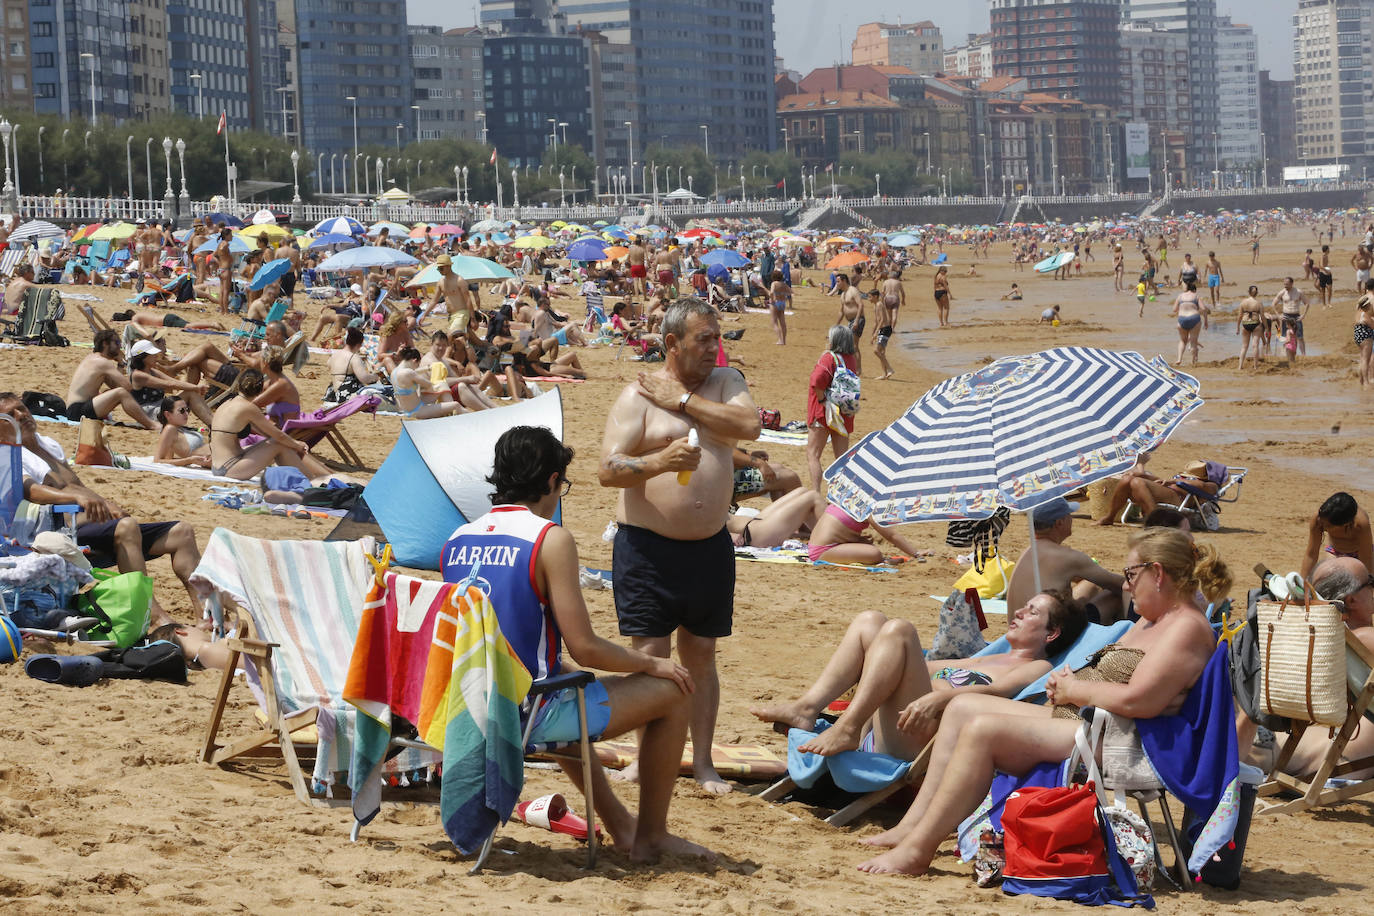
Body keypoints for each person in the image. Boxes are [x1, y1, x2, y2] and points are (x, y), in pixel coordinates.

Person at [856, 528, 1229, 874]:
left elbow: (1139, 701)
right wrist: (1067, 681)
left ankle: (919, 849)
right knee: (960, 708)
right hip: (1089, 720)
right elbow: (1119, 679)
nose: (1127, 586)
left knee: (984, 730)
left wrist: (1073, 690)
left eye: (1131, 575)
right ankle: (909, 827)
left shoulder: (1185, 628)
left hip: (1127, 741)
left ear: (1158, 573)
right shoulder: (1152, 621)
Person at [440, 426, 711, 862]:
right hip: (521, 714)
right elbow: (586, 647)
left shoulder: (457, 539)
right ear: (550, 481)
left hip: (465, 706)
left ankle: (621, 825)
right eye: (561, 484)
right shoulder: (549, 539)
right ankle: (651, 837)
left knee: (566, 679)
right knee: (676, 690)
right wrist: (651, 664)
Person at [598, 297, 761, 795]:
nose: (715, 347)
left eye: (717, 337)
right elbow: (607, 470)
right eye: (704, 339)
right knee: (650, 657)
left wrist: (685, 403)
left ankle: (704, 760)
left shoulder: (726, 385)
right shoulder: (637, 396)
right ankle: (644, 758)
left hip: (708, 547)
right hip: (647, 548)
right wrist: (658, 462)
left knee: (701, 657)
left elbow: (749, 427)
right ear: (672, 343)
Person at [751, 589, 1087, 758]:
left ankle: (847, 728)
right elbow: (921, 669)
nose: (1017, 611)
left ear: (1052, 633)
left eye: (1031, 612)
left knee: (899, 630)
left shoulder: (1038, 666)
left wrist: (941, 695)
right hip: (894, 721)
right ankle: (806, 709)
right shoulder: (989, 656)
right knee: (871, 621)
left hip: (918, 737)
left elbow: (997, 696)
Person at [1, 392, 203, 630]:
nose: (21, 415)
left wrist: (105, 504)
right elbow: (31, 490)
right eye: (10, 414)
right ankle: (155, 617)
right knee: (127, 529)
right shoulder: (10, 454)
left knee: (182, 532)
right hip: (59, 531)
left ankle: (206, 618)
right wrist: (76, 497)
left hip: (95, 525)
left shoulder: (48, 444)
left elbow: (75, 484)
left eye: (22, 408)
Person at [208, 369, 335, 483]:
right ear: (260, 389)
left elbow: (267, 434)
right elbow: (278, 435)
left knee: (281, 444)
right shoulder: (248, 408)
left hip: (219, 466)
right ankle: (314, 479)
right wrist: (297, 445)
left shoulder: (225, 404)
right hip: (231, 468)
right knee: (280, 443)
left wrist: (293, 444)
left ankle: (320, 475)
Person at [1008, 497, 1124, 622]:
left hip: (1019, 628)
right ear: (1059, 522)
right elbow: (1118, 584)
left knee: (1090, 585)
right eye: (1069, 515)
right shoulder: (1068, 557)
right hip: (1049, 635)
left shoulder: (1028, 551)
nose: (1071, 518)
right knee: (1117, 595)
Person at [63, 329, 161, 430]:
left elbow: (115, 386)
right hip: (78, 411)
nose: (120, 346)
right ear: (105, 344)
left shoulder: (92, 358)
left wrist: (120, 364)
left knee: (113, 392)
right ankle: (151, 424)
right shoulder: (102, 362)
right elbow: (127, 387)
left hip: (75, 409)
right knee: (121, 393)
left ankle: (149, 422)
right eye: (117, 342)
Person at [1094, 459, 1220, 531]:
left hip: (1177, 498)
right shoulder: (1183, 479)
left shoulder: (1210, 485)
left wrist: (1173, 481)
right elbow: (1161, 480)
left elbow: (1201, 487)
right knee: (1128, 479)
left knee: (1137, 482)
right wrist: (1143, 474)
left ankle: (1153, 519)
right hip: (1167, 491)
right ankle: (1109, 517)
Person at [805, 325, 859, 493]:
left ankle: (816, 492)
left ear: (835, 340)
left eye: (829, 338)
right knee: (841, 459)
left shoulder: (829, 358)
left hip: (824, 412)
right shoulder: (851, 359)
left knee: (813, 454)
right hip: (844, 412)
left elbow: (816, 381)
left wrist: (822, 400)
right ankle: (842, 493)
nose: (827, 341)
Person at [806, 500, 925, 566]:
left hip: (819, 545)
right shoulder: (869, 508)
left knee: (868, 547)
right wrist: (916, 553)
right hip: (822, 552)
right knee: (874, 553)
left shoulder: (848, 496)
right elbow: (891, 535)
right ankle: (883, 561)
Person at [1301, 491, 1374, 580]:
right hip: (1334, 552)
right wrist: (1301, 583)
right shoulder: (1319, 519)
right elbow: (1311, 554)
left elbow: (1366, 559)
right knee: (1331, 580)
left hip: (1359, 553)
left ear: (1345, 524)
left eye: (1328, 526)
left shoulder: (1360, 524)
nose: (1322, 525)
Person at [726, 487, 824, 548]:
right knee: (813, 497)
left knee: (802, 491)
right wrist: (729, 535)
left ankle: (822, 536)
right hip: (753, 535)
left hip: (754, 524)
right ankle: (830, 539)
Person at [391, 347, 466, 418]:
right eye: (417, 365)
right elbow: (429, 385)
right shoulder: (409, 373)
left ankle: (450, 410)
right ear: (414, 360)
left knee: (440, 386)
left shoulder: (394, 372)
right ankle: (473, 417)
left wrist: (428, 368)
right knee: (455, 404)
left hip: (405, 409)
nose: (416, 367)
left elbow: (412, 372)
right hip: (418, 411)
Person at [153, 396, 211, 469]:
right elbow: (157, 460)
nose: (186, 413)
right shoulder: (169, 429)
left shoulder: (179, 429)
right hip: (216, 458)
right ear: (167, 414)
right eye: (181, 411)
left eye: (187, 410)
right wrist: (189, 460)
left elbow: (168, 459)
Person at [1171, 278, 1208, 367]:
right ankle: (1194, 361)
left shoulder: (1180, 296)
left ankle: (1179, 359)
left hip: (1182, 319)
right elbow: (1203, 309)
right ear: (1194, 289)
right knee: (1193, 341)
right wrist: (1206, 320)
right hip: (1194, 318)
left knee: (1182, 340)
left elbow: (1174, 310)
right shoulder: (1196, 296)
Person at [1273, 276, 1310, 358]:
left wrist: (1304, 315)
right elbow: (1273, 304)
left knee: (1299, 337)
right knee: (1286, 336)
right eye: (1284, 284)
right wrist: (1279, 315)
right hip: (1286, 316)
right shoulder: (1282, 292)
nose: (1285, 286)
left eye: (1287, 284)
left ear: (1292, 284)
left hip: (1296, 316)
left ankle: (1303, 355)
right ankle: (1286, 354)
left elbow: (1307, 303)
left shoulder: (1298, 292)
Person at [835, 273, 864, 373]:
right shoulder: (843, 294)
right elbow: (841, 311)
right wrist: (836, 325)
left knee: (854, 345)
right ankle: (854, 367)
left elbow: (860, 305)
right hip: (850, 321)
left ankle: (858, 369)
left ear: (844, 281)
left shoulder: (853, 290)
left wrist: (856, 320)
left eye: (838, 281)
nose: (836, 283)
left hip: (858, 319)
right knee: (851, 345)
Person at [1236, 285, 1265, 370]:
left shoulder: (1243, 302)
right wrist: (1266, 327)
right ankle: (1256, 366)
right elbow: (1262, 317)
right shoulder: (1259, 303)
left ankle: (1240, 366)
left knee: (1244, 346)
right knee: (1255, 345)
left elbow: (1239, 316)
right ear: (1257, 293)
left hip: (1245, 323)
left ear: (1248, 292)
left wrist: (1237, 327)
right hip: (1256, 324)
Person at [767, 270, 792, 346]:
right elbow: (790, 292)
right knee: (783, 323)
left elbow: (771, 292)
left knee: (774, 323)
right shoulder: (784, 284)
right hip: (782, 303)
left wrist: (771, 299)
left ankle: (780, 340)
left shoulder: (774, 283)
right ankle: (784, 340)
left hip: (775, 303)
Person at [1357, 281, 1374, 387]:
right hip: (1369, 328)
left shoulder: (1362, 298)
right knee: (1372, 355)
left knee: (1363, 357)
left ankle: (1362, 381)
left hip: (1359, 329)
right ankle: (1371, 379)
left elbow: (1358, 313)